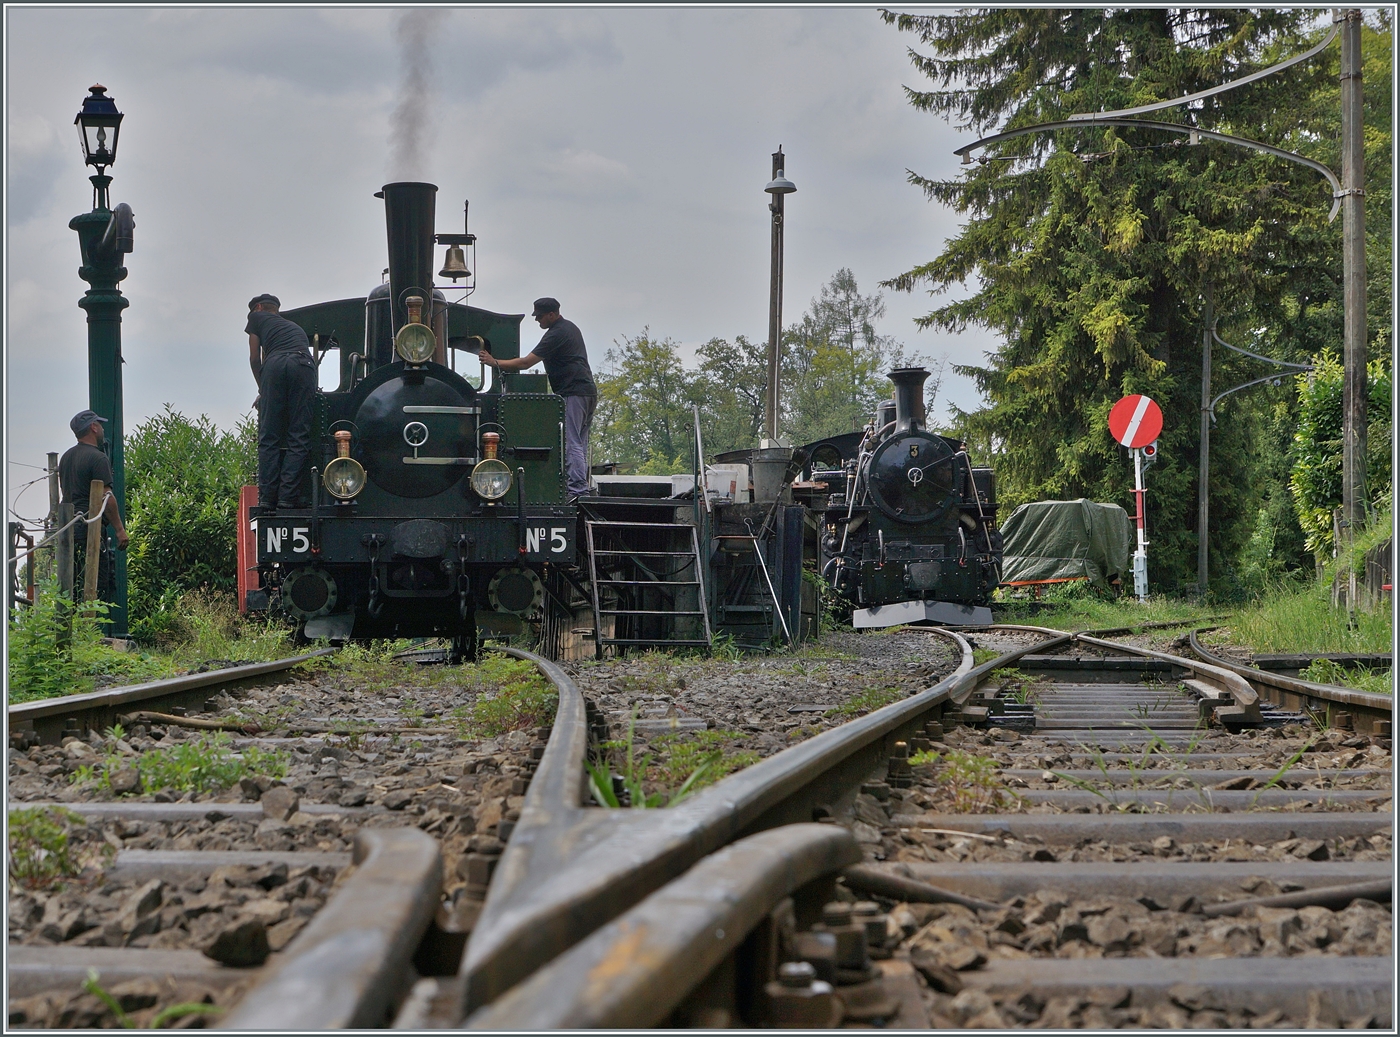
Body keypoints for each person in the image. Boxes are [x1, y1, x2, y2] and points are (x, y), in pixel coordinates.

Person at [478, 298, 597, 500]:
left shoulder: (557, 333)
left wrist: (493, 362)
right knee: (579, 442)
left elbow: (525, 363)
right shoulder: (570, 328)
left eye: (540, 316)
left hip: (573, 391)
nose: (537, 320)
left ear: (552, 314)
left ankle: (577, 490)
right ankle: (579, 487)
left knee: (571, 442)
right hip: (586, 392)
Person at [246, 293, 317, 510]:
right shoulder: (291, 327)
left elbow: (255, 358)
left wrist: (263, 390)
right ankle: (288, 497)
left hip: (276, 364)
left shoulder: (256, 318)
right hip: (304, 365)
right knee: (299, 434)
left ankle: (267, 498)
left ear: (258, 307)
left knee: (269, 437)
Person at [59, 409, 129, 601]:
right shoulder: (98, 458)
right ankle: (90, 628)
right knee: (95, 585)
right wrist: (120, 529)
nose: (103, 429)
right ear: (93, 427)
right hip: (89, 529)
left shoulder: (66, 457)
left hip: (67, 530)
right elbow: (106, 496)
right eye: (100, 425)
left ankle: (69, 626)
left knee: (70, 584)